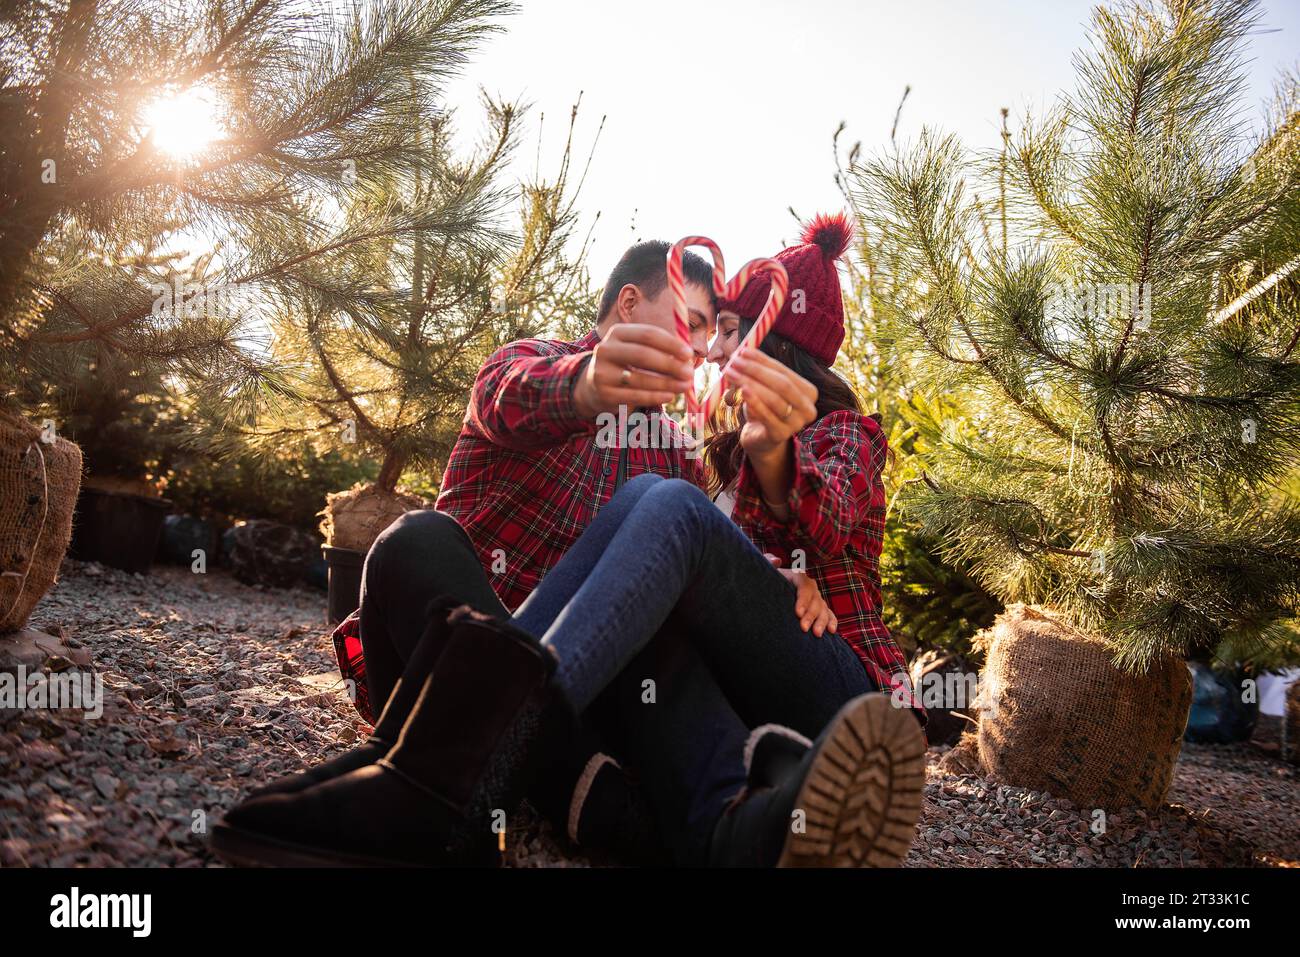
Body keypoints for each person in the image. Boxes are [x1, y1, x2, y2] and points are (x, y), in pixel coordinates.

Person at [211, 219, 925, 868]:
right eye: (698, 325)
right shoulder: (532, 362)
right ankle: (642, 808)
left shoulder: (687, 459)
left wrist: (779, 570)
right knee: (416, 540)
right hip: (470, 638)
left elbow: (736, 560)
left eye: (722, 334)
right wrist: (585, 387)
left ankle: (440, 776)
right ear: (628, 308)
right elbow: (507, 396)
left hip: (597, 677)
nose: (708, 352)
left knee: (662, 527)